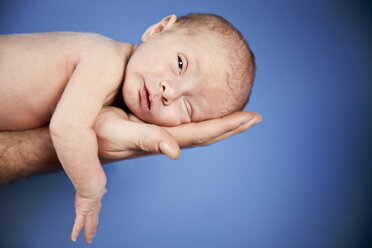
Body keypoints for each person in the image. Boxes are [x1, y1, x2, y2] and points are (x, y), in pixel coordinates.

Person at [0, 13, 258, 243]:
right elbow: (67, 127)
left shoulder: (113, 97)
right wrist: (92, 189)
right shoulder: (105, 58)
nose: (170, 92)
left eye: (188, 107)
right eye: (180, 64)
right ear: (158, 30)